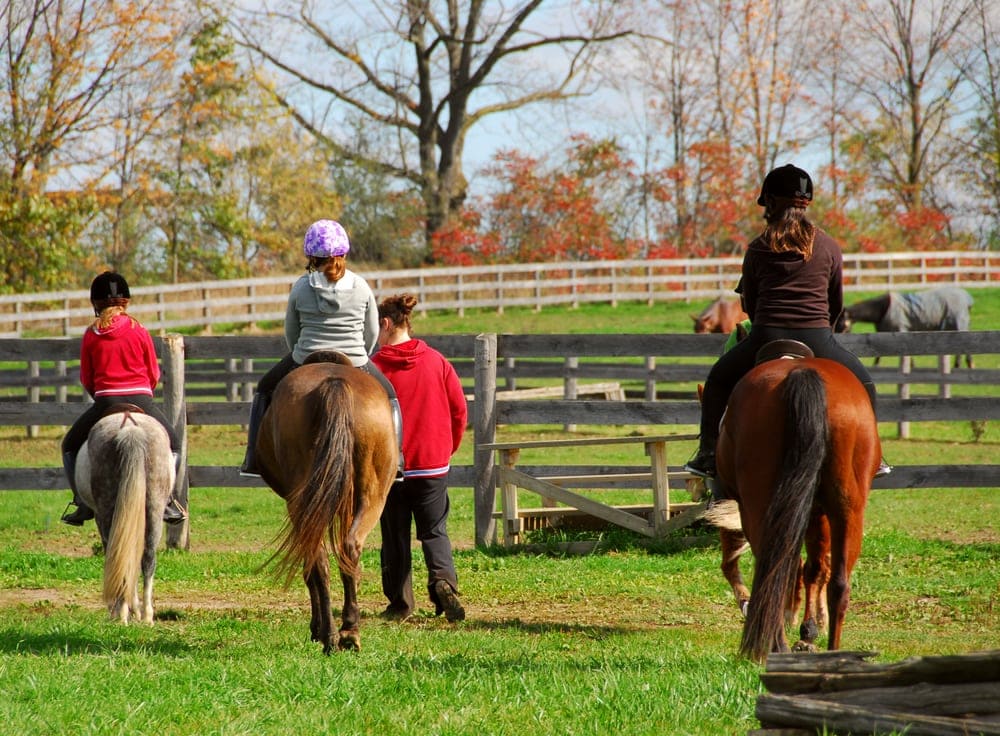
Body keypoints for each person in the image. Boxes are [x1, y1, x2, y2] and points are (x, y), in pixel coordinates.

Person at [684, 164, 890, 480]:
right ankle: (874, 455)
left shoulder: (757, 247)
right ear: (807, 203)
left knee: (718, 381)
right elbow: (836, 304)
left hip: (766, 336)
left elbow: (749, 304)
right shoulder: (829, 246)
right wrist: (822, 328)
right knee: (865, 384)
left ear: (772, 202)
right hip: (819, 338)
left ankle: (708, 453)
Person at [239, 219, 403, 479]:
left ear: (311, 255)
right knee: (391, 396)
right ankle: (397, 461)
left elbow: (291, 331)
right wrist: (361, 353)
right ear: (344, 253)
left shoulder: (302, 286)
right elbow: (372, 331)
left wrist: (299, 355)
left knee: (263, 388)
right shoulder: (361, 286)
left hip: (306, 355)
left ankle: (253, 459)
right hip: (356, 357)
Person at [61, 271, 187, 526]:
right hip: (141, 398)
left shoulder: (91, 334)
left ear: (95, 304)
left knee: (69, 445)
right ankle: (169, 501)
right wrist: (143, 392)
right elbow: (153, 372)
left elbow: (87, 378)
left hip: (106, 400)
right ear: (126, 302)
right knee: (173, 443)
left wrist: (102, 397)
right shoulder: (139, 329)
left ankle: (81, 503)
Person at [372, 293, 467, 623]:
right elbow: (459, 410)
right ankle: (443, 582)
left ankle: (400, 604)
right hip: (432, 465)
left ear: (385, 324)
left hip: (391, 468)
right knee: (434, 530)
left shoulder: (374, 368)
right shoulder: (437, 361)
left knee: (394, 535)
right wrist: (446, 448)